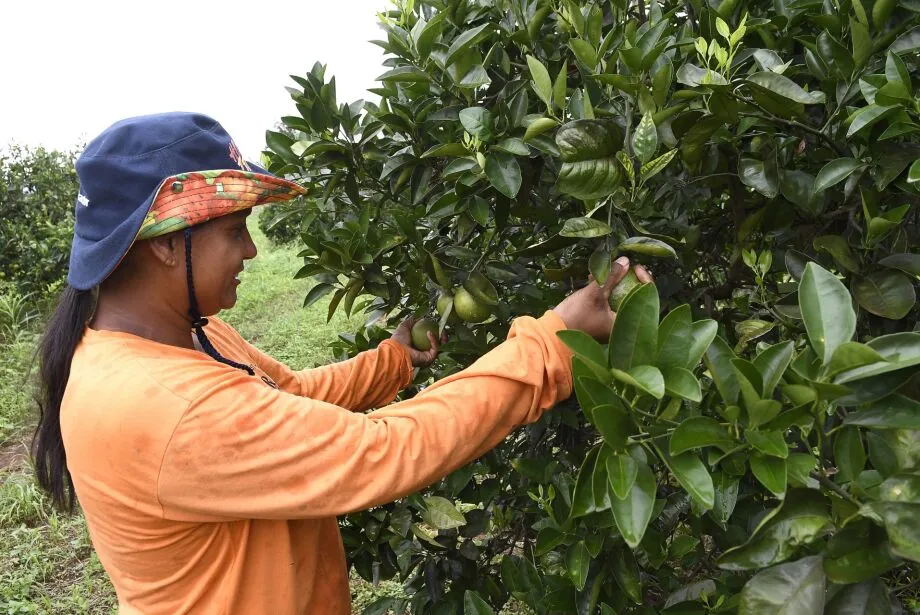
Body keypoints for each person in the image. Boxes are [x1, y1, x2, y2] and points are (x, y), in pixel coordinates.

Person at [32, 112, 652, 614]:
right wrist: (553, 340)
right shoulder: (169, 408)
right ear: (168, 244)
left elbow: (293, 394)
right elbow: (384, 450)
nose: (250, 249)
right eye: (237, 230)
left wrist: (392, 361)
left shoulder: (183, 336)